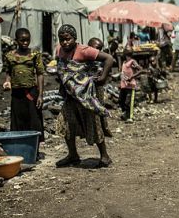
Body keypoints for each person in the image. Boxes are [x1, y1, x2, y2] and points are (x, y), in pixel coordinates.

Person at [53, 24, 114, 168]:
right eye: (62, 40)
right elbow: (61, 67)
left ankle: (104, 155)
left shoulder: (84, 50)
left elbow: (109, 58)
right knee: (66, 122)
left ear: (74, 38)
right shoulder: (59, 49)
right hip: (70, 94)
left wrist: (103, 77)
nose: (65, 42)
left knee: (92, 121)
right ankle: (73, 154)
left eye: (68, 39)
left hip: (85, 94)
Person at [2, 28, 45, 158]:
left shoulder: (35, 54)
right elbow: (8, 72)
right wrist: (7, 82)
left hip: (31, 92)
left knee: (34, 121)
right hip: (17, 94)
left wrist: (40, 95)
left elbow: (40, 74)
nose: (25, 43)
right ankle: (21, 150)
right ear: (16, 40)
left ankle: (34, 150)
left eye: (27, 40)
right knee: (18, 121)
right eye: (22, 40)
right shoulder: (9, 56)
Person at [87, 37, 113, 137]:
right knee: (92, 109)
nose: (98, 51)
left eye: (100, 49)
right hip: (88, 88)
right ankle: (96, 131)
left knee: (101, 106)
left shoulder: (102, 60)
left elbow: (106, 72)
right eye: (96, 48)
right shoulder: (85, 58)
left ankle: (104, 128)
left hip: (98, 87)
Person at [119, 49, 143, 122]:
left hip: (130, 85)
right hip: (123, 85)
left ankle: (130, 117)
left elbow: (140, 70)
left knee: (129, 102)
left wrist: (132, 77)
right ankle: (125, 114)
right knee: (121, 100)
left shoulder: (132, 62)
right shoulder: (124, 62)